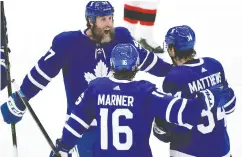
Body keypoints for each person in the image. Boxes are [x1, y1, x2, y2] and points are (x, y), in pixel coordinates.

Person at [1, 1, 172, 157]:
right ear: (91, 21)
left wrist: (176, 73)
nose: (109, 24)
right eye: (103, 19)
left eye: (111, 18)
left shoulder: (122, 38)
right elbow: (42, 73)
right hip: (82, 125)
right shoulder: (68, 43)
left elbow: (147, 60)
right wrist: (22, 97)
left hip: (117, 125)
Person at [49, 43, 229, 157]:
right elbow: (182, 112)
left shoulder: (95, 88)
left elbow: (75, 123)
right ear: (136, 67)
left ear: (112, 65)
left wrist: (62, 147)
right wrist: (208, 98)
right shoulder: (145, 92)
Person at [153, 25, 236, 157]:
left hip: (189, 152)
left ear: (172, 50)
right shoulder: (214, 65)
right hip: (223, 151)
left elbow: (167, 131)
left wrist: (158, 122)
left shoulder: (174, 76)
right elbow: (231, 106)